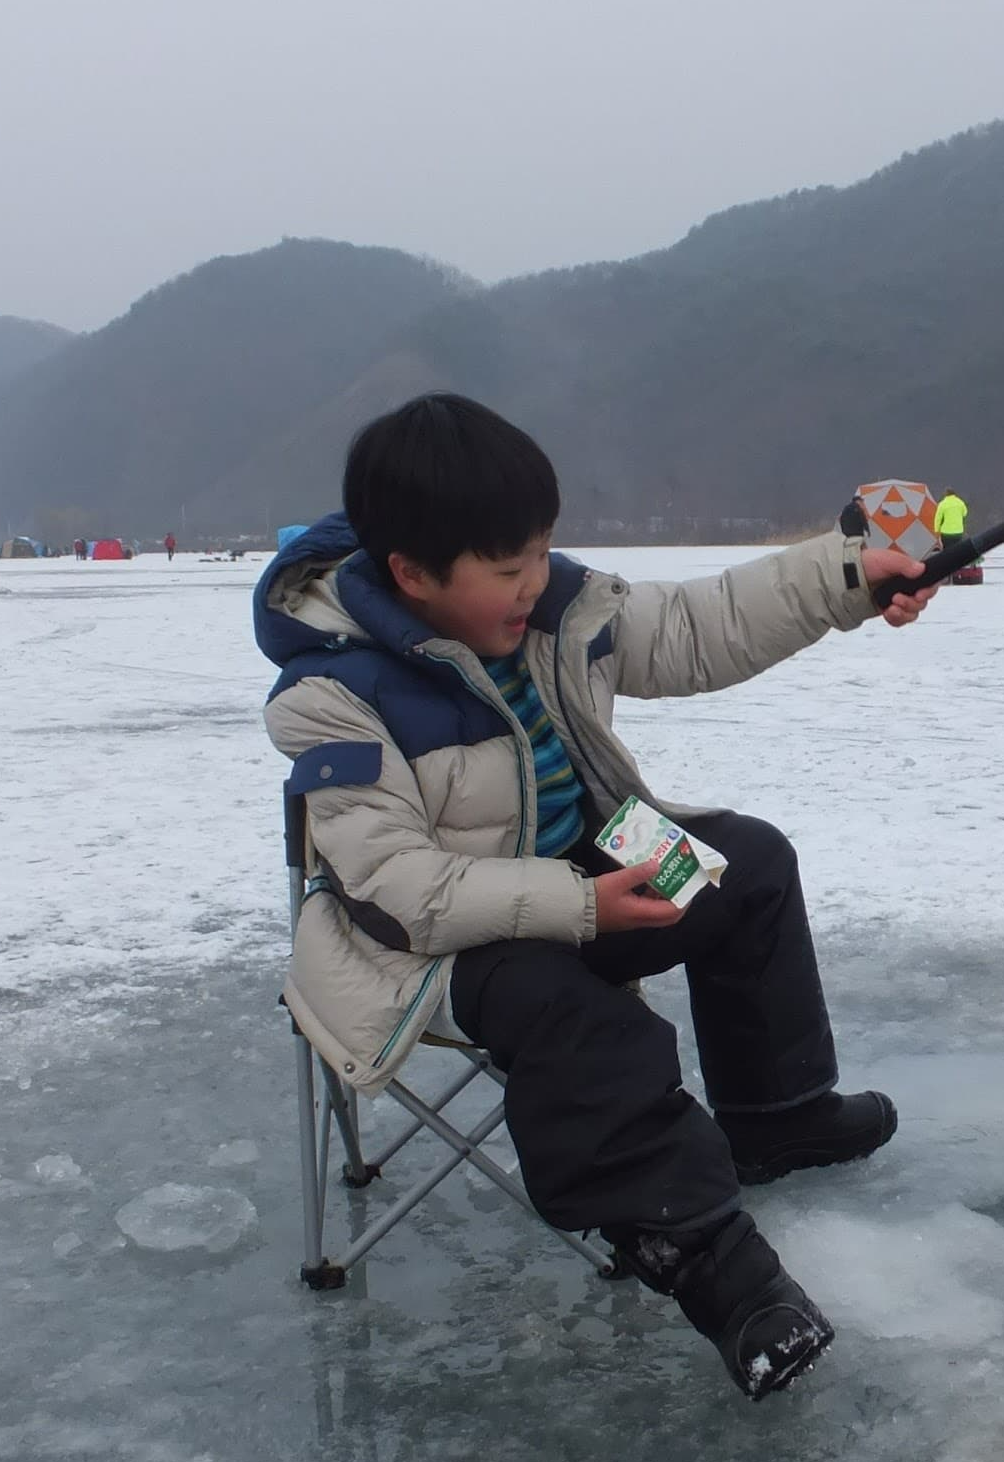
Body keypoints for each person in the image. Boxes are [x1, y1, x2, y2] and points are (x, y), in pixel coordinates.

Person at [258, 393, 938, 1400]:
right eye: (507, 569)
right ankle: (718, 1273)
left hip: (591, 859)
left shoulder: (551, 609)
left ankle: (776, 1115)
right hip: (433, 945)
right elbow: (403, 889)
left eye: (542, 552)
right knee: (570, 1014)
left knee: (743, 863)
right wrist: (583, 909)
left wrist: (850, 572)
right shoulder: (334, 695)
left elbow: (701, 623)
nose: (535, 583)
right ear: (412, 575)